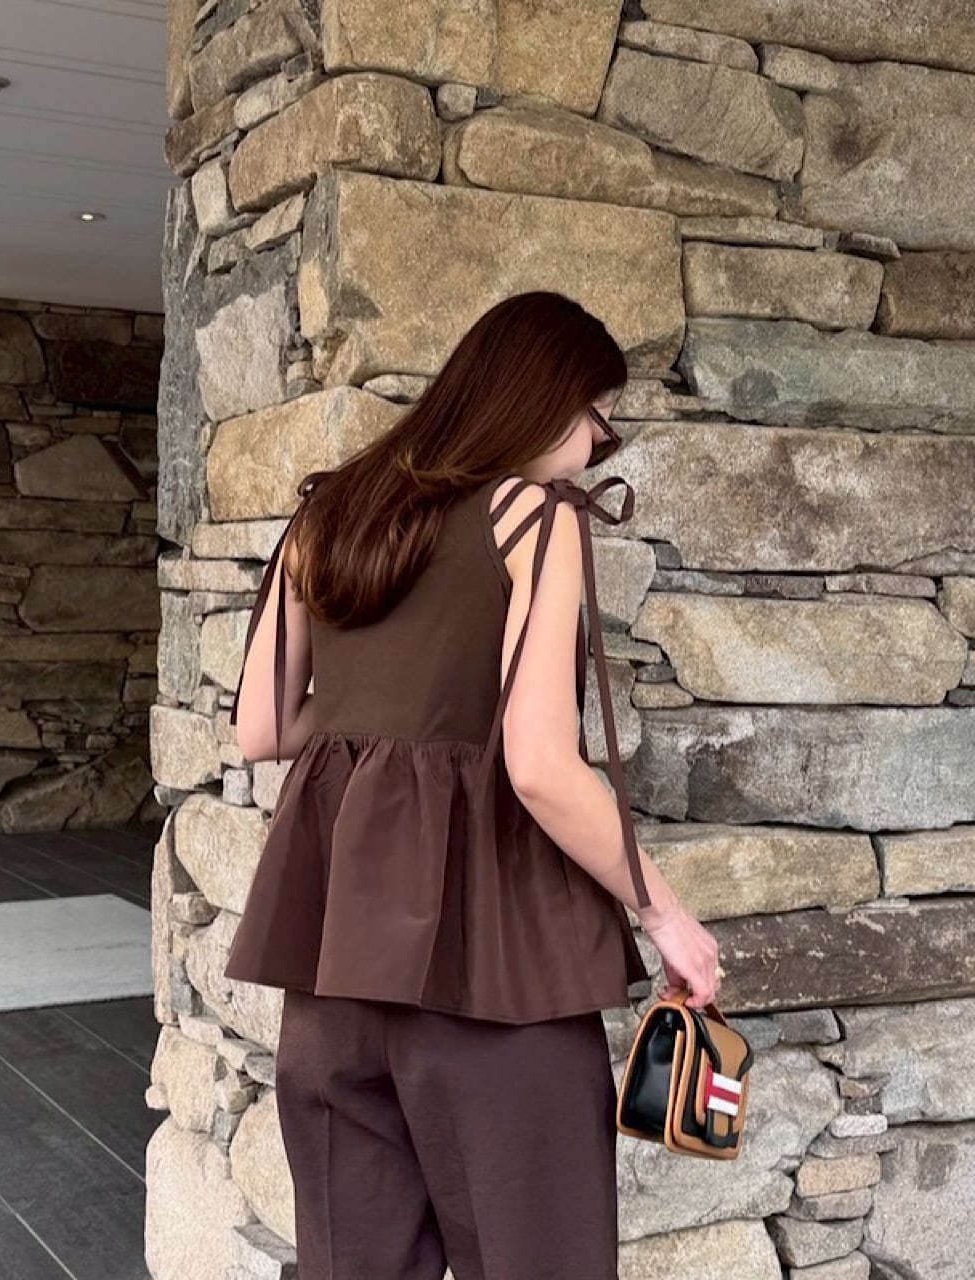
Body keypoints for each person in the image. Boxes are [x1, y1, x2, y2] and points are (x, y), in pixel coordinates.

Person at [224, 290, 723, 1279]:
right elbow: (539, 766)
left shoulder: (324, 512)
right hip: (493, 974)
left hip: (333, 983)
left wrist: (378, 705)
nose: (595, 447)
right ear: (541, 402)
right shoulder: (530, 517)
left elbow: (262, 727)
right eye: (595, 419)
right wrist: (667, 917)